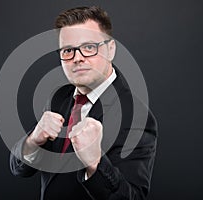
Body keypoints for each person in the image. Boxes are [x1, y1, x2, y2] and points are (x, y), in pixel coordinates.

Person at [10, 6, 157, 200]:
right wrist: (33, 140)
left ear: (110, 49)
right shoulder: (58, 97)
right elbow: (19, 169)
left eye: (89, 47)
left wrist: (95, 163)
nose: (77, 58)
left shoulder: (137, 116)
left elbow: (133, 197)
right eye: (68, 50)